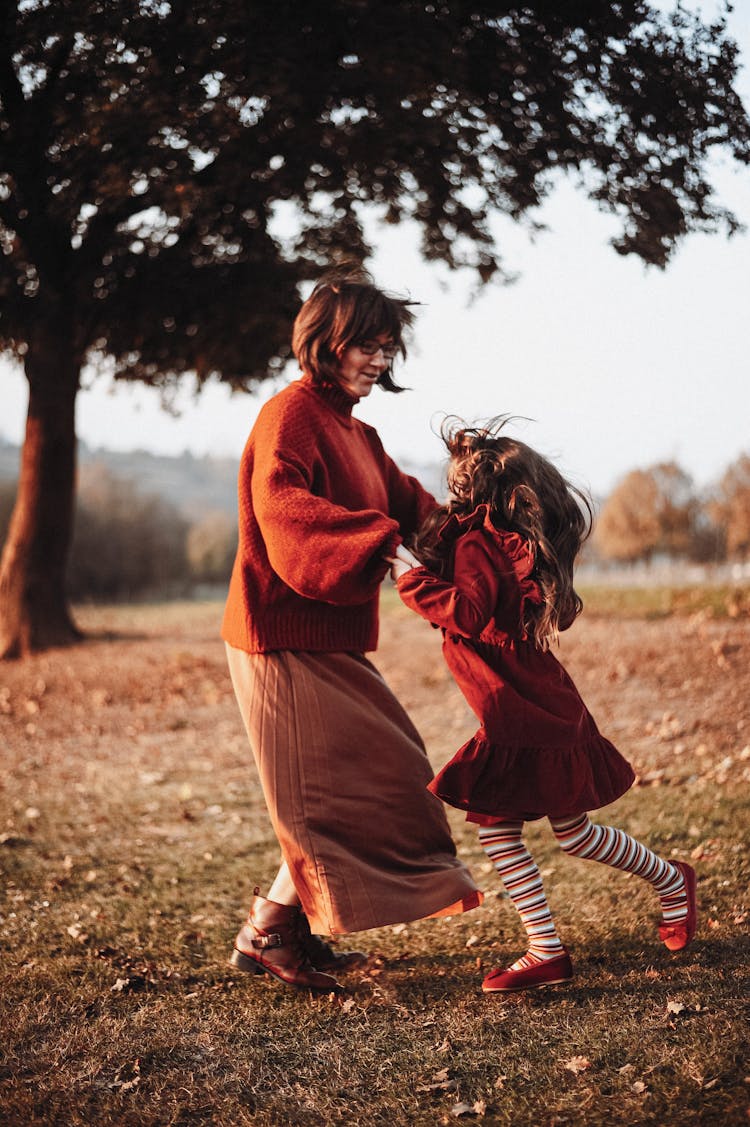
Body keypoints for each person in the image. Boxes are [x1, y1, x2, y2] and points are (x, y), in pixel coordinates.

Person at [221, 272, 482, 994]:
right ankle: (272, 931)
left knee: (382, 775)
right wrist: (383, 546)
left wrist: (481, 533)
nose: (379, 358)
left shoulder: (356, 430)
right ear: (323, 342)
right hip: (280, 636)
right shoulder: (291, 414)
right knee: (334, 792)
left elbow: (413, 508)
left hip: (331, 639)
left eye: (386, 345)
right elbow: (284, 512)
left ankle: (268, 927)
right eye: (365, 343)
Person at [390, 418, 697, 993]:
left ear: (477, 490)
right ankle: (558, 942)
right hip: (527, 704)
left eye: (458, 480)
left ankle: (657, 889)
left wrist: (410, 580)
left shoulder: (481, 540)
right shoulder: (494, 540)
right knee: (540, 832)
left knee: (541, 831)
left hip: (525, 709)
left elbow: (470, 611)